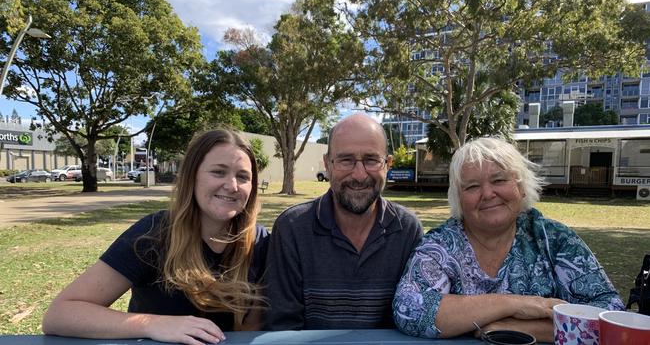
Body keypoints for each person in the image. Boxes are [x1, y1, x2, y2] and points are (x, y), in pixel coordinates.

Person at [42, 129, 269, 345]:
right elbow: (60, 314)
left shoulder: (259, 241)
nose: (232, 186)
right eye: (218, 172)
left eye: (243, 177)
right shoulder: (153, 232)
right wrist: (153, 324)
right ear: (192, 177)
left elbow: (252, 327)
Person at [393, 137, 625, 343]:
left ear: (521, 187)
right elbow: (411, 310)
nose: (487, 193)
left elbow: (610, 312)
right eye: (472, 186)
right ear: (458, 199)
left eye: (499, 180)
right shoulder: (441, 245)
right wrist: (518, 304)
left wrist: (517, 328)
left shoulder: (554, 240)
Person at [265, 113, 423, 330]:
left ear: (387, 164)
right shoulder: (292, 228)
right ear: (328, 164)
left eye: (371, 160)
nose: (359, 175)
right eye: (346, 160)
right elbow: (282, 327)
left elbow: (415, 319)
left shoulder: (407, 230)